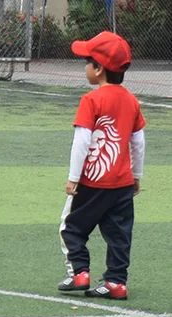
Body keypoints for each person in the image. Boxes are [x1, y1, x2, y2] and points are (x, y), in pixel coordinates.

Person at [57, 31, 146, 300]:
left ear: (98, 69)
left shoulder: (91, 100)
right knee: (119, 234)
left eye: (87, 62)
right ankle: (116, 282)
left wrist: (74, 177)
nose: (85, 67)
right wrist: (137, 175)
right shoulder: (131, 100)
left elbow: (81, 141)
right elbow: (138, 141)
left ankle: (79, 273)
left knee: (70, 227)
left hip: (92, 182)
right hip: (122, 184)